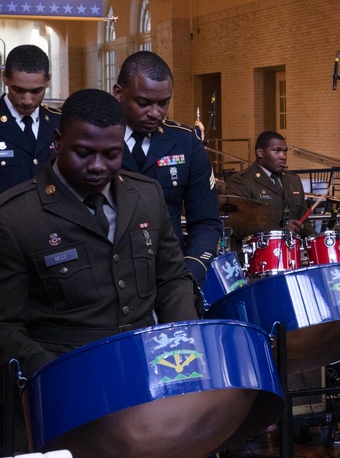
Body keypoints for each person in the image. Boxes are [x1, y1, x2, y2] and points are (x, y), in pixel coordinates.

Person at [0, 89, 199, 378]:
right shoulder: (16, 216)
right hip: (68, 375)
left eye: (111, 154)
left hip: (151, 367)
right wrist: (52, 375)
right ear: (57, 141)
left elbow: (172, 279)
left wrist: (185, 340)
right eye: (83, 153)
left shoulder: (146, 195)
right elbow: (6, 327)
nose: (96, 166)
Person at [113, 51, 223, 286]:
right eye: (143, 103)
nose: (155, 113)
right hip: (111, 278)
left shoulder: (185, 142)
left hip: (170, 275)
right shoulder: (97, 142)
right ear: (119, 93)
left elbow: (206, 221)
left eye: (163, 103)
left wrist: (191, 272)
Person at [227, 131, 315, 237]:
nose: (283, 156)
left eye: (285, 152)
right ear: (260, 152)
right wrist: (280, 231)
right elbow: (238, 227)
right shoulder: (241, 181)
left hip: (291, 251)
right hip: (257, 250)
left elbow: (303, 221)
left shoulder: (293, 180)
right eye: (277, 151)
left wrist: (317, 240)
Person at [0, 45, 61, 193]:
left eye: (36, 91)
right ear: (4, 78)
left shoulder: (59, 122)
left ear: (48, 81)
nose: (27, 100)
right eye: (18, 90)